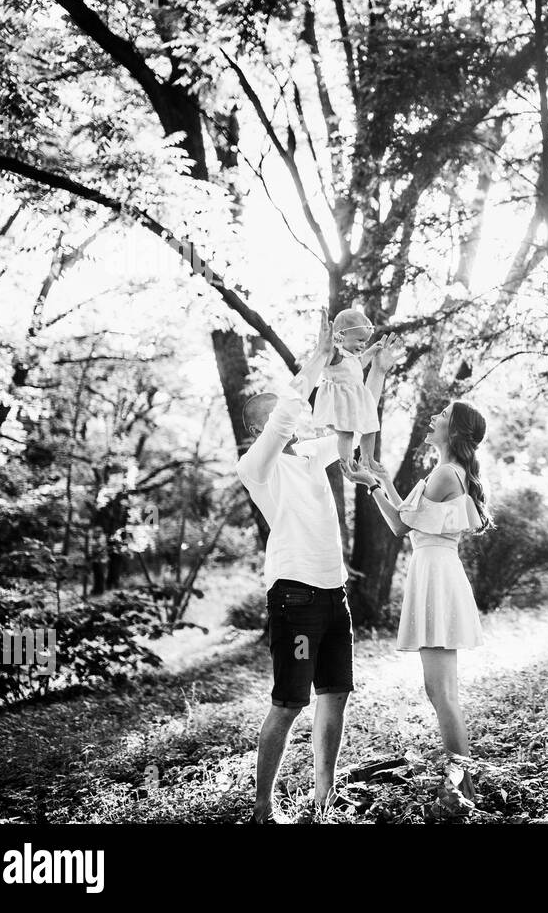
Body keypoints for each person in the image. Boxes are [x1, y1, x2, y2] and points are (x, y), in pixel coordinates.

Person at [234, 309, 396, 823]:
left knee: (336, 694)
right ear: (262, 425)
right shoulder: (257, 467)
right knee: (289, 702)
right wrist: (318, 356)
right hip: (295, 597)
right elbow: (287, 412)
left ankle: (322, 798)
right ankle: (262, 808)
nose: (304, 413)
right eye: (291, 411)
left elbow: (356, 419)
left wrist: (372, 370)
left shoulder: (308, 456)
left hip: (332, 594)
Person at [363, 401, 492, 802]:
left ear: (452, 431)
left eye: (441, 415)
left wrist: (374, 483)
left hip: (436, 576)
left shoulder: (443, 474)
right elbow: (409, 521)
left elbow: (401, 523)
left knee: (442, 693)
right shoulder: (447, 473)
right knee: (441, 691)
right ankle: (462, 785)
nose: (432, 417)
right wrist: (381, 480)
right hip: (436, 570)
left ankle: (461, 789)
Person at [311, 307, 386, 474]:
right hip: (340, 404)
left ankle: (368, 459)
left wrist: (372, 350)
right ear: (342, 335)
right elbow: (324, 357)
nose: (362, 344)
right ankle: (347, 463)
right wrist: (329, 343)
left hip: (353, 402)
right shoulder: (336, 353)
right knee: (346, 435)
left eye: (365, 341)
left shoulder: (352, 356)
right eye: (360, 340)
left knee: (371, 425)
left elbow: (360, 363)